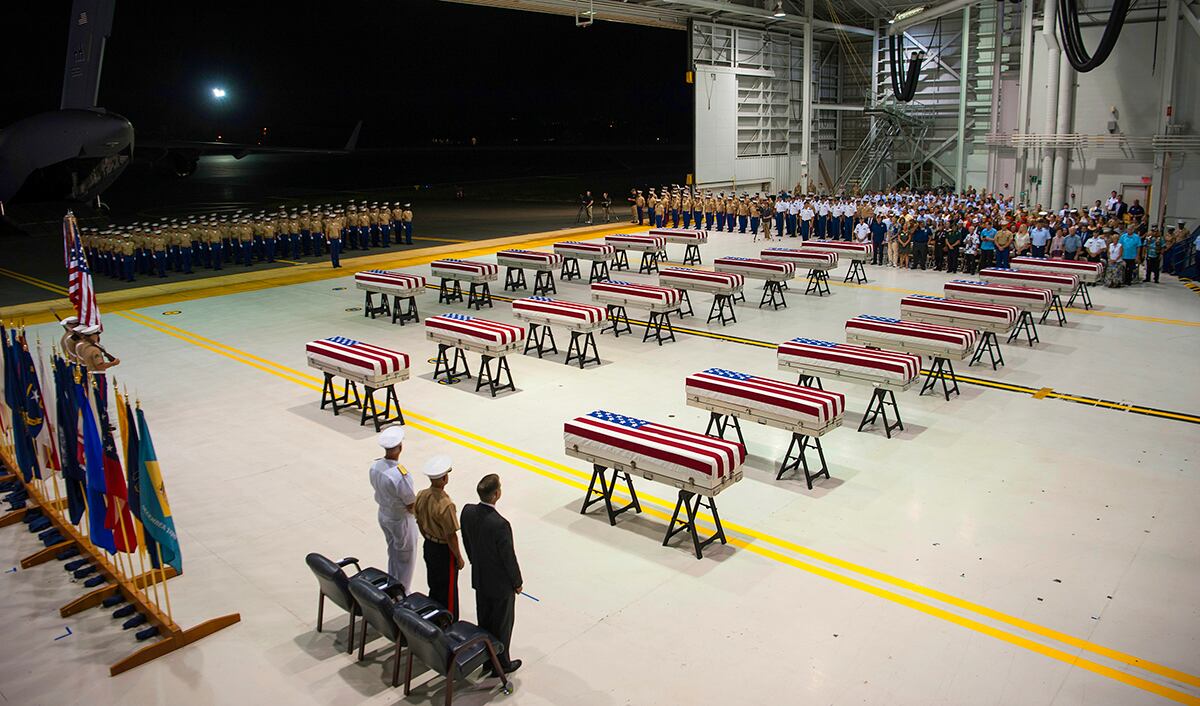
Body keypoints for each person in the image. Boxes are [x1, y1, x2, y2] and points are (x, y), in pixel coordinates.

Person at [460, 474, 523, 675]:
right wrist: (517, 582)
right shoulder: (500, 524)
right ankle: (502, 664)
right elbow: (508, 558)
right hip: (500, 585)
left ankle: (487, 659)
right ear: (497, 494)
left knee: (485, 621)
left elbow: (467, 541)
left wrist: (474, 562)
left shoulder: (467, 512)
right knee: (502, 625)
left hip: (480, 578)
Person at [415, 455, 464, 618]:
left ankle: (433, 615)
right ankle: (448, 621)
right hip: (444, 550)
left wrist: (428, 537)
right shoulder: (446, 504)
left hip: (429, 545)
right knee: (448, 591)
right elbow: (451, 536)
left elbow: (419, 522)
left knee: (434, 584)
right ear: (444, 478)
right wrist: (458, 557)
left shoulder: (422, 495)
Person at [369, 427, 418, 589]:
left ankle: (391, 584)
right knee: (405, 559)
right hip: (400, 520)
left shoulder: (375, 466)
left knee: (393, 553)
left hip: (384, 514)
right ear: (400, 448)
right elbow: (411, 503)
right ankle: (401, 593)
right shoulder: (399, 475)